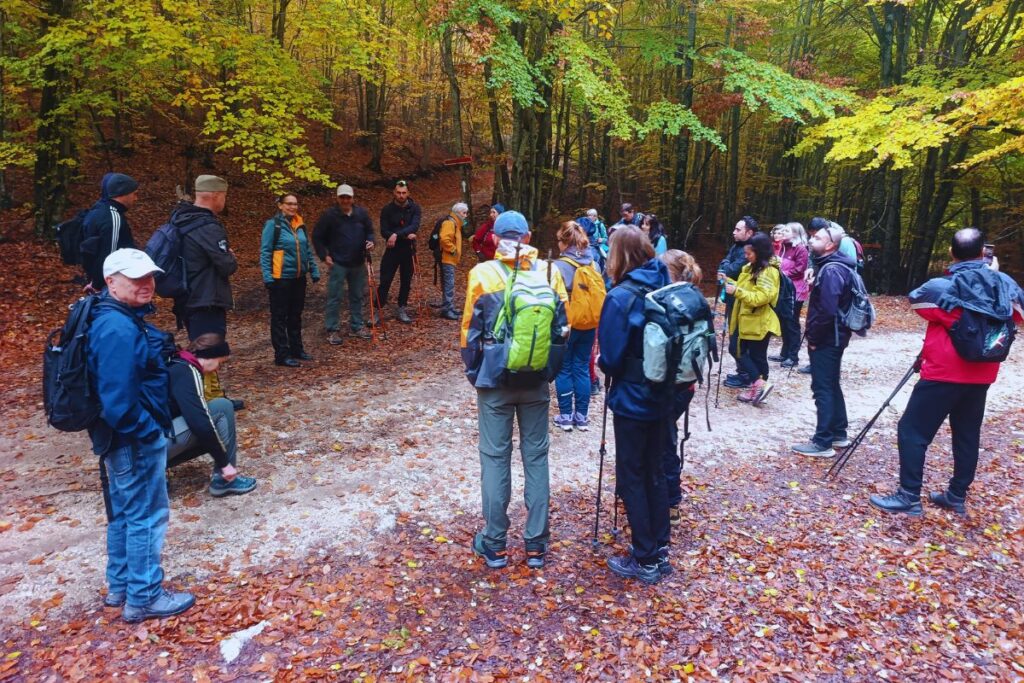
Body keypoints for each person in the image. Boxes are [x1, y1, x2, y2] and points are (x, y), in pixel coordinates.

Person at [869, 228, 1024, 517]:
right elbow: (1017, 315)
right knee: (967, 434)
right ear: (983, 254)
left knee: (912, 430)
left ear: (952, 253)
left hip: (943, 373)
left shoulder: (944, 286)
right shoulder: (1004, 285)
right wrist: (993, 277)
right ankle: (955, 496)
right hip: (983, 373)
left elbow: (916, 300)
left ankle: (909, 497)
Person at [87, 248, 194, 623]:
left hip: (117, 437)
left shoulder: (111, 315)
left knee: (124, 514)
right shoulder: (116, 327)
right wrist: (149, 431)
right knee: (147, 515)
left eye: (149, 277)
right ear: (111, 282)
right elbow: (117, 401)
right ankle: (145, 596)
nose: (146, 284)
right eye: (135, 279)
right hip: (131, 436)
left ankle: (120, 587)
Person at [460, 210, 568, 570]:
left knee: (495, 458)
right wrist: (546, 374)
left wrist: (477, 375)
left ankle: (494, 544)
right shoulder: (550, 274)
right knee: (536, 459)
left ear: (493, 237)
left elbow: (468, 333)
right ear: (528, 237)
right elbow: (562, 332)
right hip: (535, 380)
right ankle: (536, 544)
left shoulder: (482, 274)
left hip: (496, 383)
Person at [599, 226, 672, 584]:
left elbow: (610, 359)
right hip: (667, 397)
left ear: (618, 255)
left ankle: (644, 558)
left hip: (633, 399)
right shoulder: (666, 284)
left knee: (631, 475)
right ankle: (659, 547)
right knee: (655, 470)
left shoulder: (620, 296)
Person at [790, 223, 858, 458]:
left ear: (830, 245)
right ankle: (838, 433)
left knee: (822, 387)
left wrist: (814, 338)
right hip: (837, 335)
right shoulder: (832, 266)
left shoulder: (831, 271)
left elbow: (827, 310)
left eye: (817, 238)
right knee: (831, 382)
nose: (811, 240)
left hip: (829, 337)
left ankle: (823, 442)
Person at [173, 175, 240, 405]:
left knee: (203, 349)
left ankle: (214, 395)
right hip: (207, 297)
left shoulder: (182, 219)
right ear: (216, 195)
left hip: (188, 296)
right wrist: (230, 257)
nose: (224, 201)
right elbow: (226, 265)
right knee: (208, 355)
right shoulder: (207, 226)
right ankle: (207, 403)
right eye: (224, 196)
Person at [166, 333, 258, 497]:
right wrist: (224, 464)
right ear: (209, 357)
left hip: (143, 446)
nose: (217, 369)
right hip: (152, 448)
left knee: (216, 415)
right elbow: (199, 422)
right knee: (222, 407)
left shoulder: (176, 362)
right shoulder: (186, 371)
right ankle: (225, 479)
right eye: (219, 363)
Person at [657, 249, 701, 526]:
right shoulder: (695, 300)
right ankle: (668, 498)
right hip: (687, 383)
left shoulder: (667, 302)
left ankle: (669, 500)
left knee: (662, 442)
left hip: (668, 384)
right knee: (666, 437)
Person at [551, 221, 602, 431]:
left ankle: (565, 415)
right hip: (589, 323)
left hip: (566, 324)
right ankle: (581, 416)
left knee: (564, 368)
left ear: (564, 242)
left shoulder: (557, 267)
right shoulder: (593, 264)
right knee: (581, 366)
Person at [260, 193, 320, 367]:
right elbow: (265, 252)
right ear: (280, 205)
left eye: (295, 204)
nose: (293, 207)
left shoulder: (299, 224)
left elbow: (307, 249)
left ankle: (297, 349)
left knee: (296, 315)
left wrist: (314, 270)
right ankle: (281, 354)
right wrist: (267, 277)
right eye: (289, 204)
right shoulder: (273, 225)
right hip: (280, 279)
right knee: (279, 317)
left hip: (298, 278)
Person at [313, 183, 375, 344]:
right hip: (338, 262)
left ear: (353, 198)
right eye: (342, 197)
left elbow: (370, 230)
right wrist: (323, 256)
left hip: (358, 261)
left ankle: (357, 325)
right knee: (335, 296)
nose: (345, 200)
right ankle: (332, 329)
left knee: (357, 295)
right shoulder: (329, 216)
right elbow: (317, 236)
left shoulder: (361, 213)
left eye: (348, 197)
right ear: (338, 198)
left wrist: (371, 241)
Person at [725, 232, 780, 405]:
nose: (746, 256)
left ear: (760, 252)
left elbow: (761, 298)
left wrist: (737, 291)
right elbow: (745, 289)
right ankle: (759, 386)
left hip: (759, 322)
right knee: (741, 350)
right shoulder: (751, 268)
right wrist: (728, 282)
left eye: (749, 253)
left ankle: (759, 385)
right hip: (747, 320)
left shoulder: (769, 272)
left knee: (751, 354)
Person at [717, 216, 758, 388]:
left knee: (739, 338)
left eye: (738, 230)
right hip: (732, 296)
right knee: (735, 334)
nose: (734, 232)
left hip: (742, 299)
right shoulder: (737, 246)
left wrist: (726, 266)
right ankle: (743, 372)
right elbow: (723, 264)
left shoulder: (750, 250)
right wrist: (726, 266)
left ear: (749, 232)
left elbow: (731, 270)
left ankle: (748, 376)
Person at [80, 173, 139, 291]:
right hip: (110, 286)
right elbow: (110, 256)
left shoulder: (98, 210)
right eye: (134, 194)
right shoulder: (113, 217)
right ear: (122, 193)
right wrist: (97, 285)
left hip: (101, 281)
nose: (136, 198)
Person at [376, 180, 421, 324]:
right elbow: (384, 230)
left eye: (404, 193)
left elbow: (414, 226)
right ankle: (377, 309)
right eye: (398, 193)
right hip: (392, 250)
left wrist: (395, 234)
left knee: (406, 281)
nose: (401, 195)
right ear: (394, 193)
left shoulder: (414, 208)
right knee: (385, 280)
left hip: (408, 249)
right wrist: (397, 235)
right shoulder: (387, 210)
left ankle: (402, 307)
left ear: (408, 193)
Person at [770, 223, 809, 368]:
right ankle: (784, 353)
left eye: (787, 230)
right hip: (783, 289)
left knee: (792, 323)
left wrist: (783, 274)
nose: (783, 232)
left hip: (795, 290)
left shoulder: (800, 249)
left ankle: (793, 357)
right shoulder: (784, 247)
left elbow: (800, 269)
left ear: (795, 233)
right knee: (783, 321)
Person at [438, 202, 468, 320]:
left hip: (450, 259)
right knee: (448, 284)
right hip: (447, 259)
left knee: (449, 284)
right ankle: (446, 309)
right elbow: (444, 239)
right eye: (463, 213)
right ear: (457, 213)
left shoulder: (456, 223)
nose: (465, 215)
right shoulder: (450, 223)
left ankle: (449, 307)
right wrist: (453, 250)